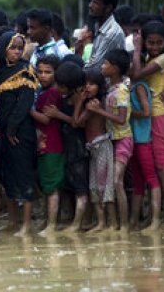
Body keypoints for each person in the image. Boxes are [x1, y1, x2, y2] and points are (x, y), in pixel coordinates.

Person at [0, 31, 38, 236]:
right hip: (1, 133)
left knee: (23, 174)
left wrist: (12, 127)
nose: (17, 52)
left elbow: (24, 103)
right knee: (7, 176)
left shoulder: (26, 70)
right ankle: (12, 221)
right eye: (13, 47)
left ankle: (26, 224)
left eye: (20, 48)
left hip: (20, 133)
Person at [130, 20, 164, 223]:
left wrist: (137, 48)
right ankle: (158, 214)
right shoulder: (149, 58)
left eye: (159, 42)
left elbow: (137, 75)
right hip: (150, 117)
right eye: (150, 42)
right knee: (154, 167)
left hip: (159, 116)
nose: (155, 46)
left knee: (162, 166)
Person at [45, 61, 88, 232]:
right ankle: (73, 219)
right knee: (69, 185)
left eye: (61, 86)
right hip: (68, 146)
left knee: (80, 188)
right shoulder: (66, 96)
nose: (58, 89)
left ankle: (78, 223)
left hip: (78, 147)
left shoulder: (79, 98)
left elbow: (77, 123)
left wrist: (58, 114)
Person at [95, 50, 133, 232]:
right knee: (112, 182)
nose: (102, 66)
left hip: (123, 140)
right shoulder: (110, 87)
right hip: (111, 140)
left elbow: (121, 119)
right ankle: (114, 223)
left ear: (115, 68)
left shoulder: (122, 91)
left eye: (105, 63)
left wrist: (99, 111)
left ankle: (124, 225)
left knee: (117, 181)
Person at [30, 55, 65, 236]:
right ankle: (49, 222)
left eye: (47, 72)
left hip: (51, 145)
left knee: (51, 188)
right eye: (40, 72)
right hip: (46, 145)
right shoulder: (44, 92)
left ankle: (51, 225)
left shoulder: (51, 94)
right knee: (47, 186)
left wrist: (28, 109)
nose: (43, 75)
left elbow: (45, 118)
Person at [76, 70, 115, 232]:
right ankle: (103, 223)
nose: (87, 87)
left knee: (104, 187)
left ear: (100, 86)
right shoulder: (91, 102)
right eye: (85, 84)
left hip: (102, 146)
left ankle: (108, 223)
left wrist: (80, 101)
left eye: (91, 84)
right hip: (93, 148)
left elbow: (76, 122)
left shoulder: (95, 104)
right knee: (96, 187)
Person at [129, 76, 161, 231]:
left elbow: (146, 112)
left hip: (142, 139)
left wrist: (129, 111)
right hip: (133, 140)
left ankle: (155, 221)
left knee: (151, 179)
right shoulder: (130, 87)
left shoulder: (139, 86)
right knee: (138, 182)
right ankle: (134, 221)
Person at [84, 0, 125, 72]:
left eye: (95, 3)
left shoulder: (112, 33)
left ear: (108, 8)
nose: (90, 5)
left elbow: (95, 67)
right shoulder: (98, 26)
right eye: (91, 1)